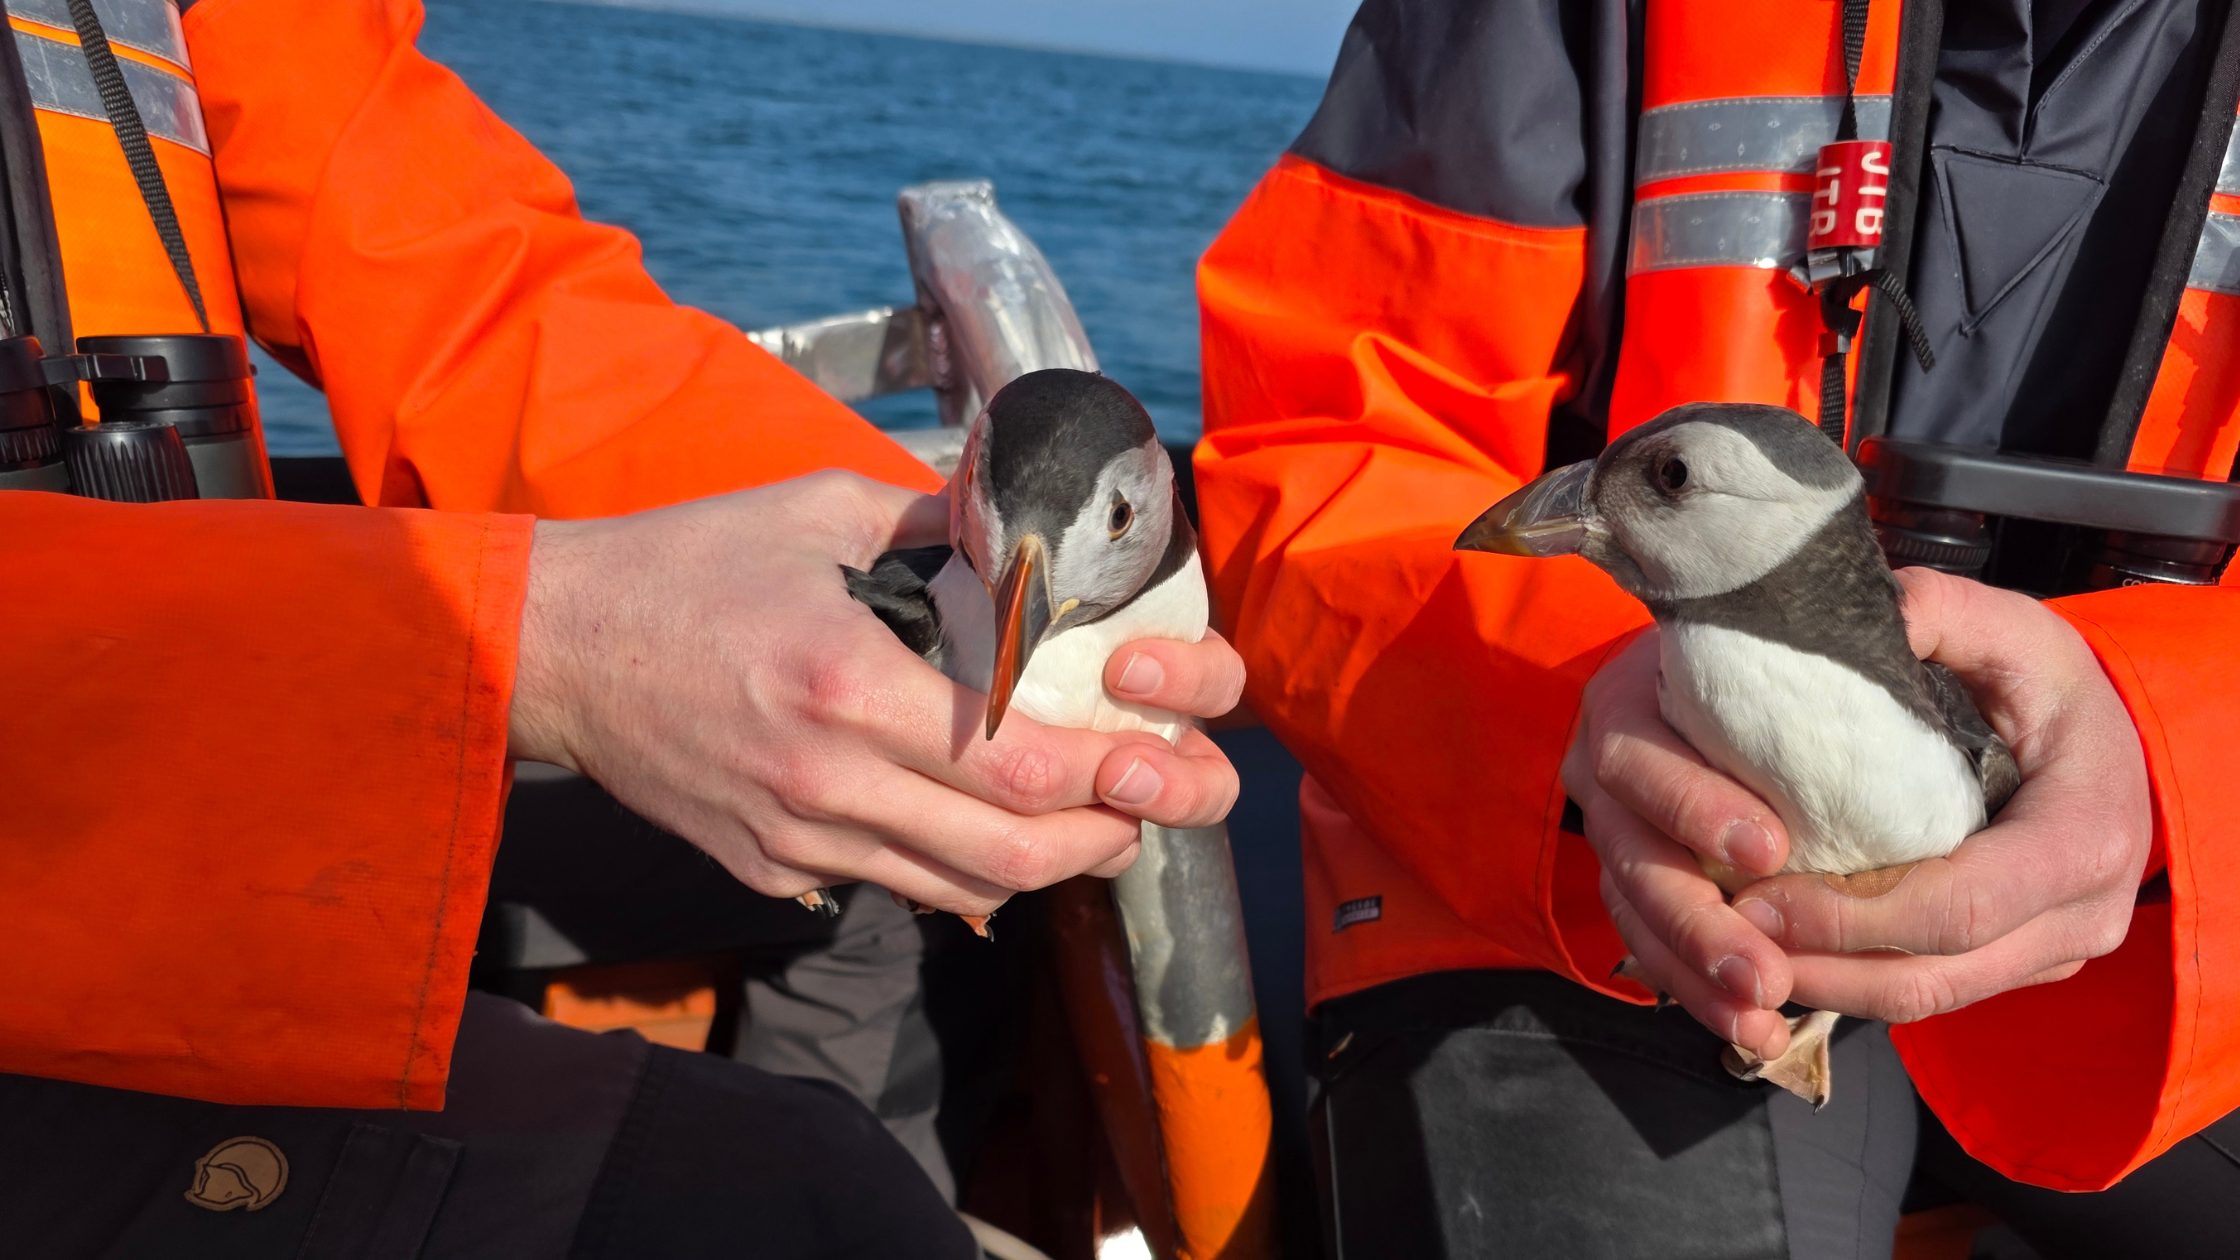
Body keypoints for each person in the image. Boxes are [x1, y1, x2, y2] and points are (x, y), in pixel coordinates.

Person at [0, 0, 1243, 1253]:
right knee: (816, 1203)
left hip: (219, 776)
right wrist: (542, 648)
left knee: (868, 880)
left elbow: (459, 283)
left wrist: (919, 576)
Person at [1196, 0, 2240, 1255]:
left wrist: (2177, 757)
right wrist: (1595, 729)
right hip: (1583, 895)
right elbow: (1316, 447)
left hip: (2185, 927)